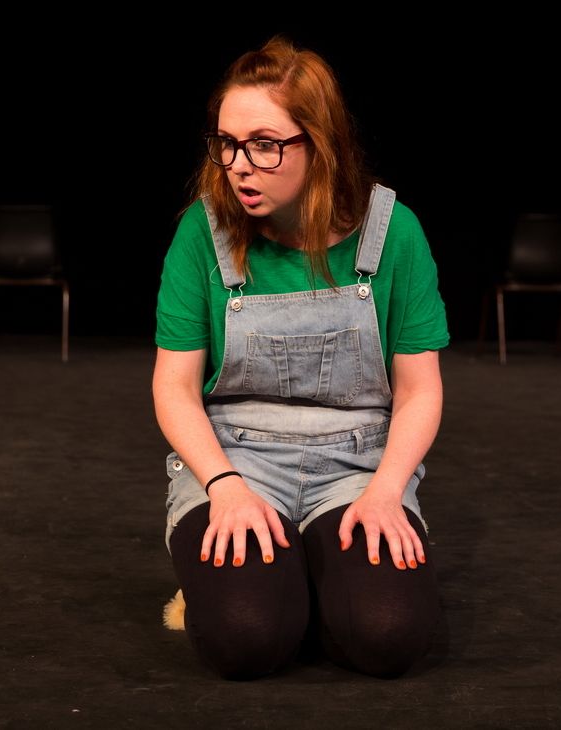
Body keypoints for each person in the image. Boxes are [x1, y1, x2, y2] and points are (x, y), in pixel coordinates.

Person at [152, 35, 449, 680]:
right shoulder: (203, 233)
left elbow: (420, 388)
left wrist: (387, 492)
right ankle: (279, 584)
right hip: (237, 458)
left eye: (263, 143)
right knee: (246, 641)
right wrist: (223, 487)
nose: (238, 164)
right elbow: (173, 385)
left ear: (321, 144)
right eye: (227, 143)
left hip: (358, 461)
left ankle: (312, 576)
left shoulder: (393, 233)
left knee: (388, 638)